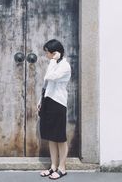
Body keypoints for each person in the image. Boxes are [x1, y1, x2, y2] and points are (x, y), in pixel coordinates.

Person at [37, 39, 71, 180]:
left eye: (47, 52)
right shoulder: (54, 63)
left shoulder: (65, 66)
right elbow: (46, 84)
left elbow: (50, 77)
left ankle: (62, 168)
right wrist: (41, 100)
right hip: (48, 101)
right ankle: (53, 166)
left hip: (58, 103)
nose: (46, 54)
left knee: (60, 137)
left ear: (55, 52)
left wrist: (53, 62)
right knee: (51, 136)